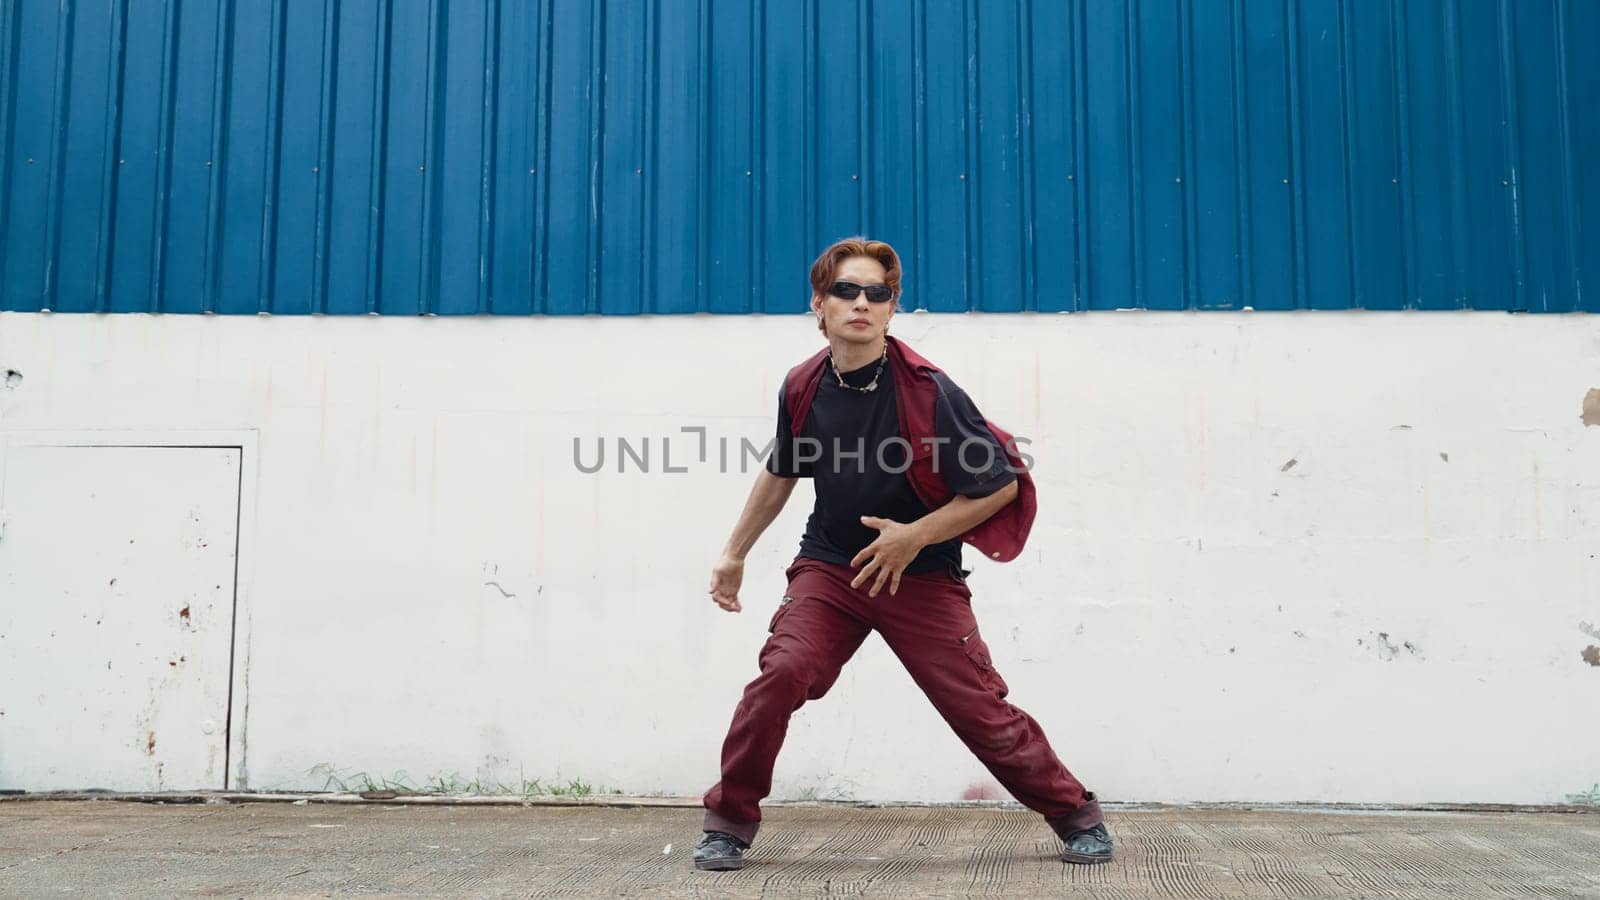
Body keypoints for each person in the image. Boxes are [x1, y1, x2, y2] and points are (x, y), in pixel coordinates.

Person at [692, 237, 1113, 871]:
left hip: (921, 578)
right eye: (846, 291)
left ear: (892, 309)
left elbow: (998, 485)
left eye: (877, 293)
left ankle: (1076, 814)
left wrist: (914, 536)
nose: (861, 303)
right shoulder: (804, 384)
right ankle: (728, 821)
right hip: (833, 568)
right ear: (820, 304)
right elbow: (783, 468)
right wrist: (734, 553)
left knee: (979, 710)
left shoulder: (928, 391)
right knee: (779, 674)